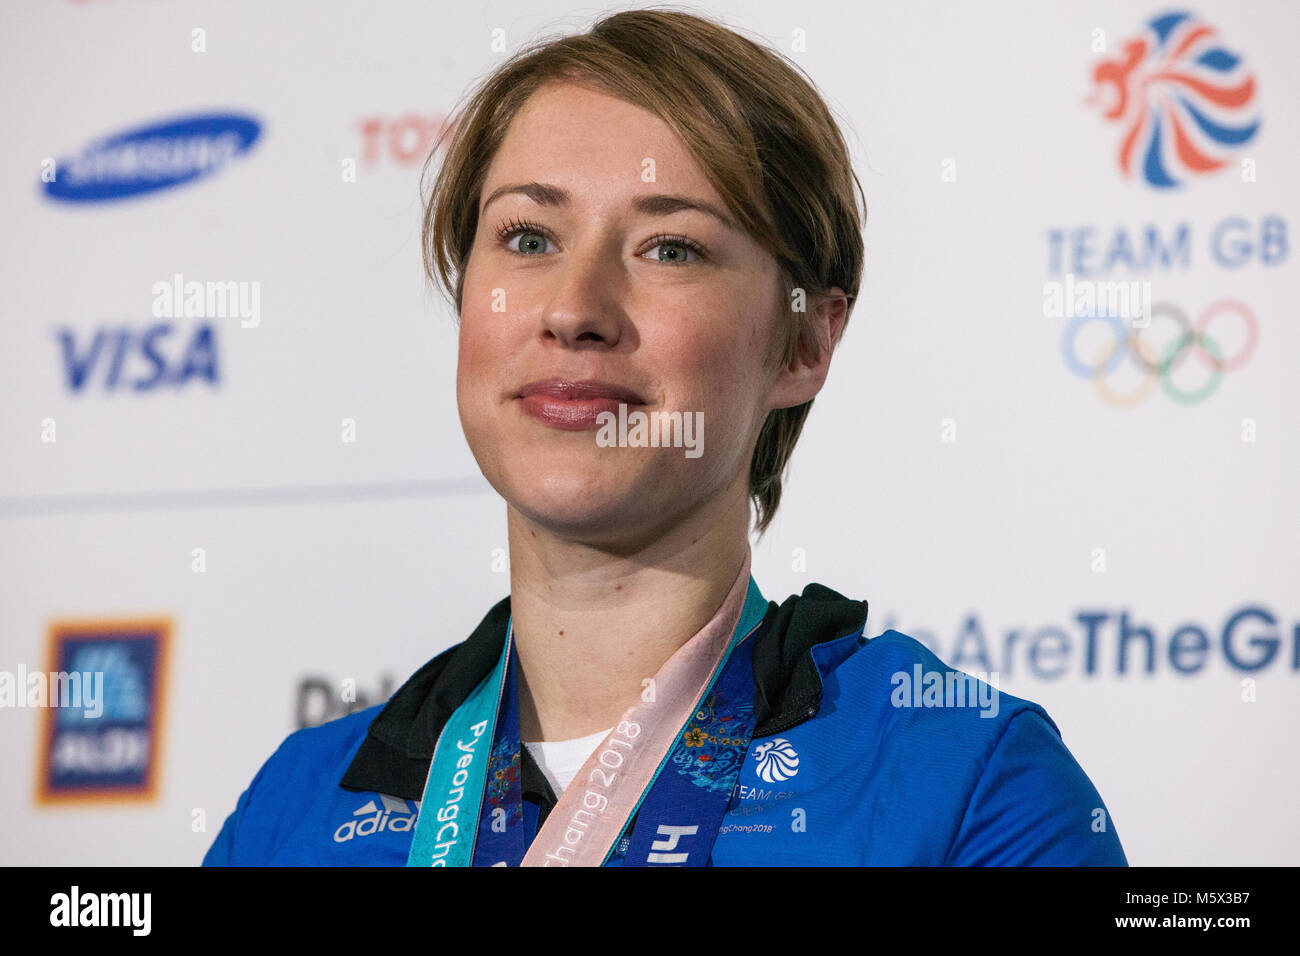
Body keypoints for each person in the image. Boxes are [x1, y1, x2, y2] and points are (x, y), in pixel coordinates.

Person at [204, 8, 1127, 867]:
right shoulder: (293, 811)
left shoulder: (967, 786)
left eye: (670, 248)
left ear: (804, 342)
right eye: (528, 238)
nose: (574, 310)